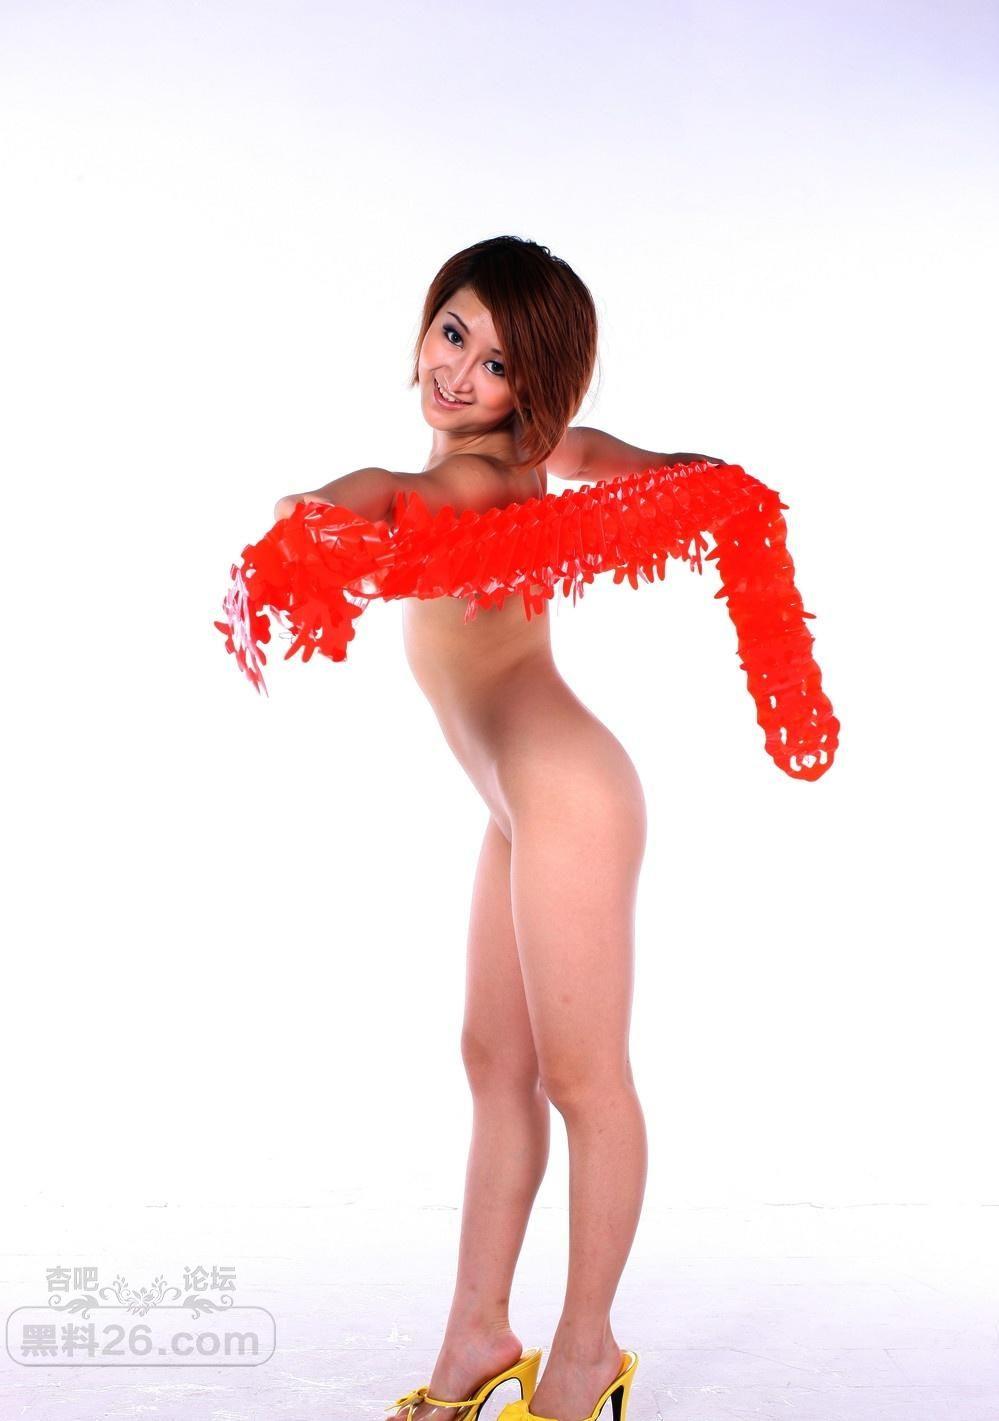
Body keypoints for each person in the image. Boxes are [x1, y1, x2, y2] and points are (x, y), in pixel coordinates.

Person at [274, 236, 724, 1421]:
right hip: (516, 802)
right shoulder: (530, 449)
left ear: (532, 389)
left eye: (497, 363)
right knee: (494, 1063)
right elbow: (600, 453)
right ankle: (476, 1336)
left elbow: (394, 493)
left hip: (568, 793)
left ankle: (586, 1354)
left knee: (584, 1078)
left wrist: (315, 512)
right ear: (430, 317)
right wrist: (684, 471)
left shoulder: (477, 479)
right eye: (454, 330)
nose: (460, 372)